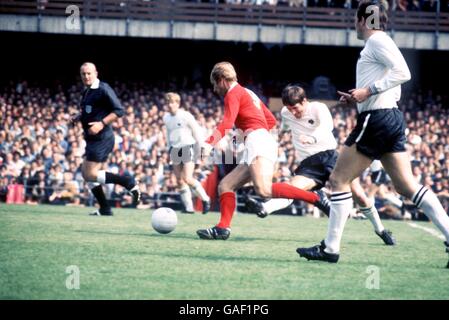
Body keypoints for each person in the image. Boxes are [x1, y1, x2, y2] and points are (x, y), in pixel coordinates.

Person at [297, 0, 449, 267]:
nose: (354, 24)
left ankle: (330, 249)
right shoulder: (380, 43)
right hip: (387, 117)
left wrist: (368, 93)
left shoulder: (377, 41)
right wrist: (360, 98)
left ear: (364, 20)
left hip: (377, 119)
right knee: (405, 186)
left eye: (356, 19)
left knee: (338, 179)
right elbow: (393, 85)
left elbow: (404, 72)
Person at [245, 85, 395, 245]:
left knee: (359, 196)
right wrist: (280, 134)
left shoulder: (318, 108)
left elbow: (327, 127)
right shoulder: (286, 113)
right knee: (292, 189)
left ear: (304, 100)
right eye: (290, 109)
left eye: (295, 108)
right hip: (308, 164)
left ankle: (381, 230)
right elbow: (286, 126)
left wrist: (312, 139)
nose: (293, 113)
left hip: (330, 156)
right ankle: (264, 208)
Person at [196, 62, 329, 240]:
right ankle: (223, 228)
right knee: (226, 185)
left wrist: (208, 143)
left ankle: (314, 198)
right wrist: (251, 132)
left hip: (258, 142)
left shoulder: (232, 94)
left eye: (214, 84)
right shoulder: (248, 92)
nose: (214, 89)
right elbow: (271, 120)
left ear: (221, 80)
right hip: (260, 140)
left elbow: (227, 124)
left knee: (264, 190)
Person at [73, 62, 140, 216]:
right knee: (86, 173)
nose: (86, 76)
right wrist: (79, 116)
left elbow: (119, 110)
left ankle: (128, 182)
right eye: (83, 74)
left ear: (96, 73)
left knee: (89, 173)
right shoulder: (87, 91)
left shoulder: (103, 89)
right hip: (92, 139)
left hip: (102, 138)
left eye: (89, 73)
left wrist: (101, 123)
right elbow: (89, 111)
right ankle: (105, 208)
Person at [163, 92, 211, 214]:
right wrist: (168, 148)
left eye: (172, 102)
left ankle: (206, 199)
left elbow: (196, 131)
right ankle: (189, 208)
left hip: (187, 147)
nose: (169, 105)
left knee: (188, 178)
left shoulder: (185, 115)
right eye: (167, 102)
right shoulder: (166, 118)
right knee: (179, 180)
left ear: (177, 103)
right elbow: (168, 134)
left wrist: (202, 147)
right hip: (174, 149)